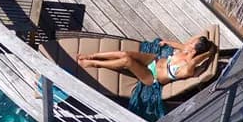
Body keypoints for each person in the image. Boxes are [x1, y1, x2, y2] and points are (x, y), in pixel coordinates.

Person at [76, 34, 215, 86]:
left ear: (195, 51)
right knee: (125, 53)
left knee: (127, 60)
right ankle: (92, 55)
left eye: (192, 43)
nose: (189, 42)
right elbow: (184, 44)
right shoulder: (186, 50)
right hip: (154, 61)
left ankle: (94, 63)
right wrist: (166, 42)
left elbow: (195, 61)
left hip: (152, 77)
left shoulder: (188, 67)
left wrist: (209, 53)